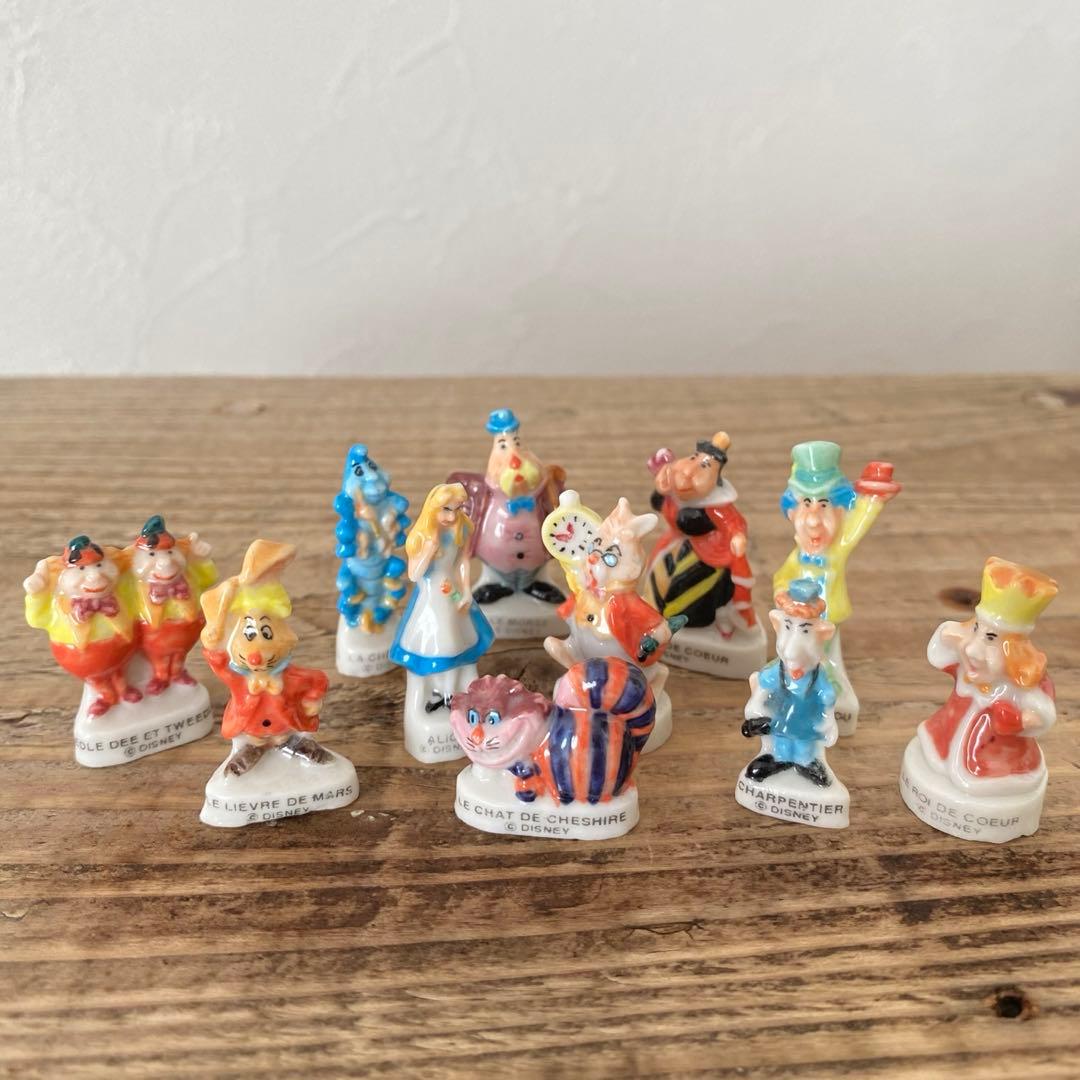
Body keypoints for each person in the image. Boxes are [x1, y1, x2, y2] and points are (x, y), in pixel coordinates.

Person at [390, 483, 494, 717]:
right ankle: (440, 690)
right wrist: (428, 550)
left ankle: (452, 691)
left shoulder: (461, 528)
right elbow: (414, 575)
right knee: (441, 640)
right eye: (446, 509)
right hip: (431, 595)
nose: (451, 516)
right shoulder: (420, 536)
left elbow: (462, 562)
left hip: (451, 590)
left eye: (457, 509)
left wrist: (466, 590)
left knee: (460, 637)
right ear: (433, 507)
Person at [448, 408, 566, 607]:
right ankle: (496, 584)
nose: (514, 459)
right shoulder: (484, 493)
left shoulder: (544, 490)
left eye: (517, 443)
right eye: (503, 445)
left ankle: (534, 584)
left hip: (537, 560)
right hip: (494, 561)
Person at [23, 535, 140, 717]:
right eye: (82, 569)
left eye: (99, 566)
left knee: (119, 672)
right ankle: (106, 697)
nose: (95, 575)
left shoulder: (118, 591)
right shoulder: (59, 603)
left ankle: (123, 689)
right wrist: (36, 594)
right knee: (97, 679)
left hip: (121, 648)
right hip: (80, 654)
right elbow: (35, 619)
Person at [123, 515, 216, 694]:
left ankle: (177, 673)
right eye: (152, 554)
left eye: (170, 553)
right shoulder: (135, 583)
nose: (165, 561)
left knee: (180, 652)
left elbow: (208, 579)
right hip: (156, 629)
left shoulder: (188, 574)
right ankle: (160, 676)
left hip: (187, 626)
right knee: (160, 655)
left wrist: (201, 559)